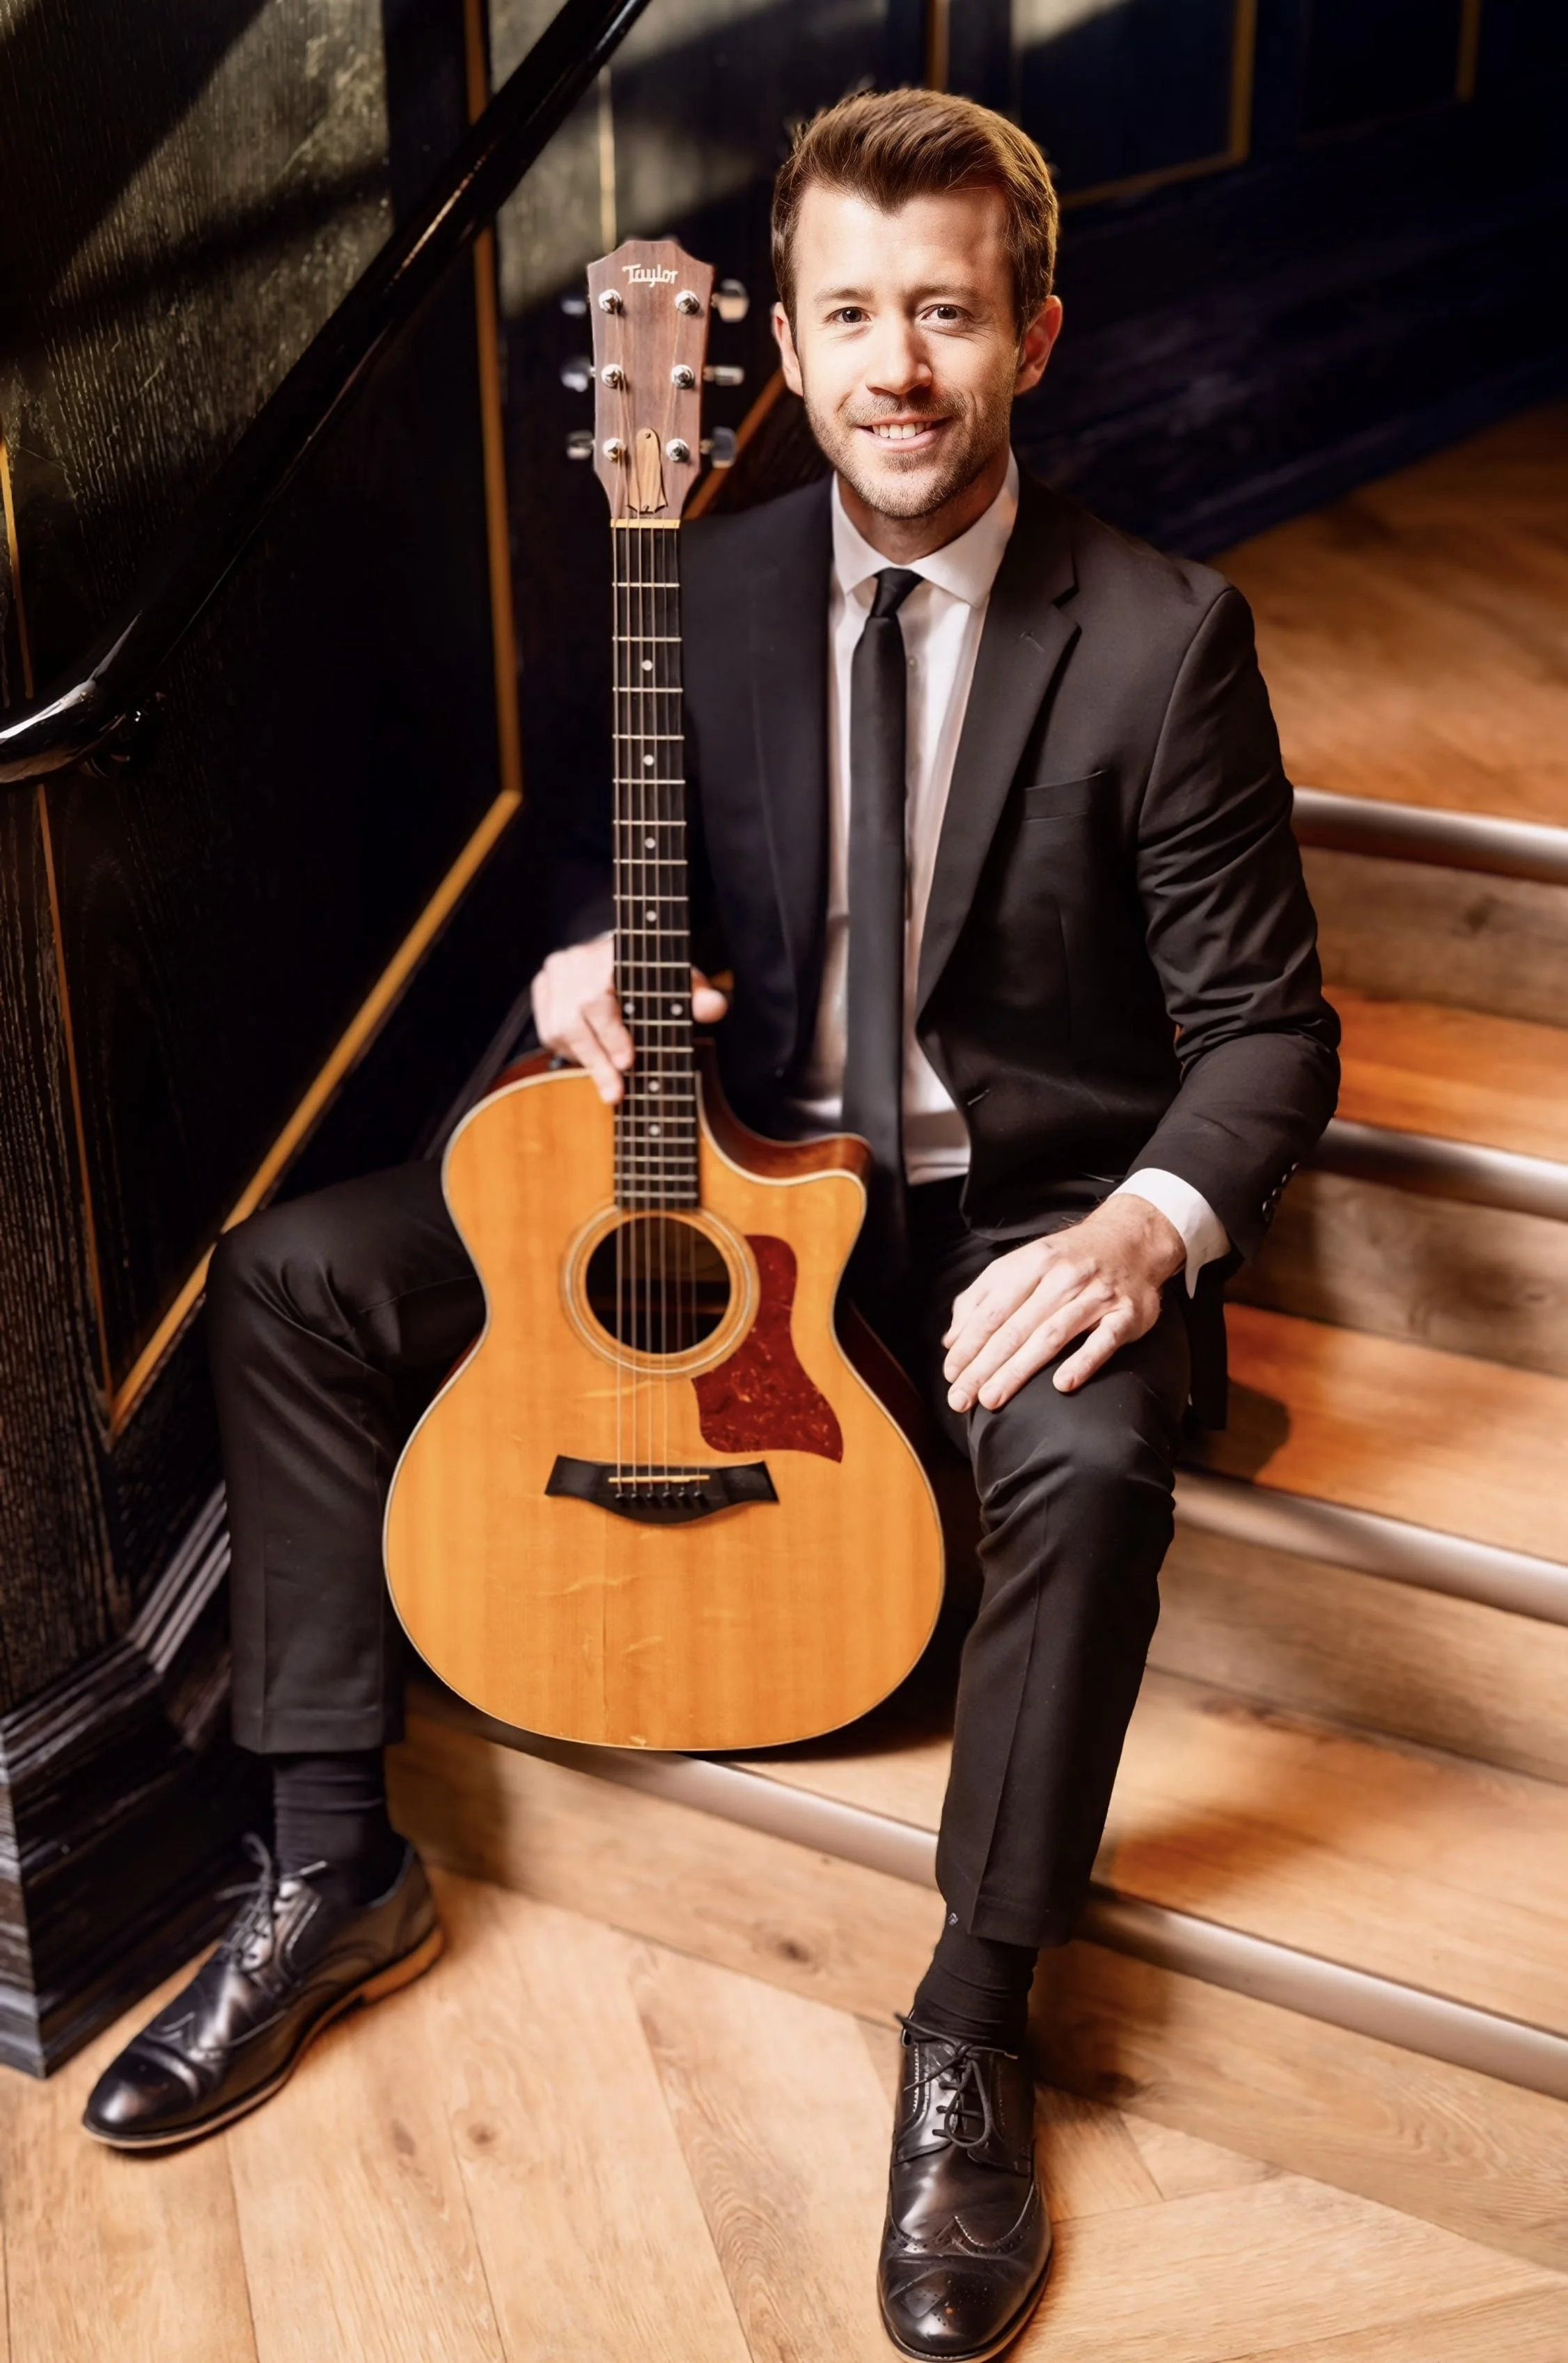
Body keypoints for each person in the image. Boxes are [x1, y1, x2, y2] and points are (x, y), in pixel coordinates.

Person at [84, 87, 1338, 2363]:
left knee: (1081, 1447)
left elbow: (1265, 1032)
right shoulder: (706, 573)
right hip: (737, 1186)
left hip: (1000, 1210)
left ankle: (970, 2022)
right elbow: (623, 863)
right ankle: (326, 1853)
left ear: (1031, 337)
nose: (893, 365)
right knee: (290, 1278)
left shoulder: (1161, 638)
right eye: (848, 311)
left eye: (944, 313)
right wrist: (586, 961)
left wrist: (1146, 1233)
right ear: (778, 328)